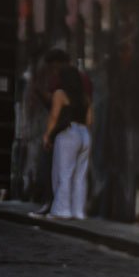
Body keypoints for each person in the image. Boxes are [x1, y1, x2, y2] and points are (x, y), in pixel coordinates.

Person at [43, 51, 93, 219]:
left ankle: (61, 210)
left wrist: (48, 135)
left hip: (68, 133)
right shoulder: (84, 97)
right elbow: (90, 119)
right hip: (84, 134)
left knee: (63, 173)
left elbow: (54, 116)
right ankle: (78, 211)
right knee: (80, 175)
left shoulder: (60, 94)